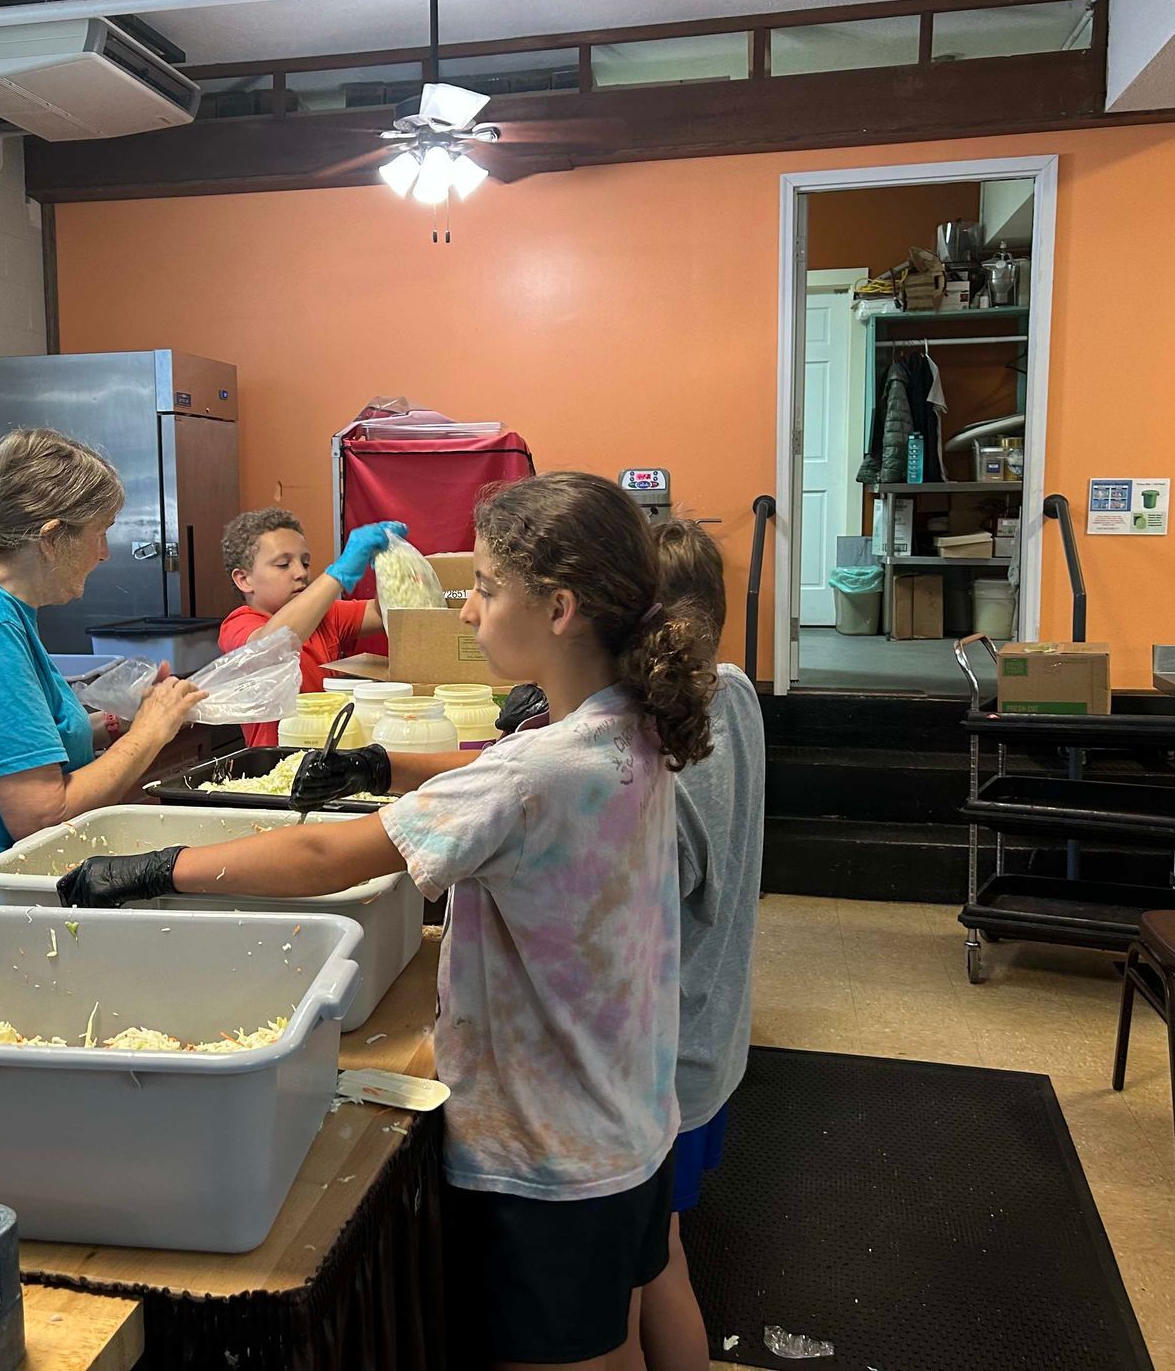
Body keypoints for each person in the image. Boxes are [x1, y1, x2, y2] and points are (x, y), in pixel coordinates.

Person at [66, 472, 718, 1371]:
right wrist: (379, 763)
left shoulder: (535, 774)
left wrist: (157, 869)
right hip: (631, 1111)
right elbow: (496, 771)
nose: (467, 611)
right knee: (642, 1311)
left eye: (485, 589)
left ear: (559, 609)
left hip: (548, 1156)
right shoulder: (626, 723)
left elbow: (323, 856)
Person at [0, 427, 206, 911]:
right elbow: (41, 814)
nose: (104, 553)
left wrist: (120, 722)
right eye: (100, 533)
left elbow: (12, 747)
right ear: (52, 538)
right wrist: (149, 734)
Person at [637, 519, 767, 1371]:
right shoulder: (738, 691)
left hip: (667, 1068)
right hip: (714, 1040)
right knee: (663, 1245)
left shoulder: (670, 768)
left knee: (655, 1264)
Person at [216, 508, 405, 747]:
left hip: (327, 753)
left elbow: (385, 613)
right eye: (283, 564)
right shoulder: (238, 624)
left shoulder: (326, 615)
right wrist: (338, 574)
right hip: (278, 761)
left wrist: (393, 569)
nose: (301, 573)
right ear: (244, 580)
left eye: (305, 563)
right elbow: (270, 647)